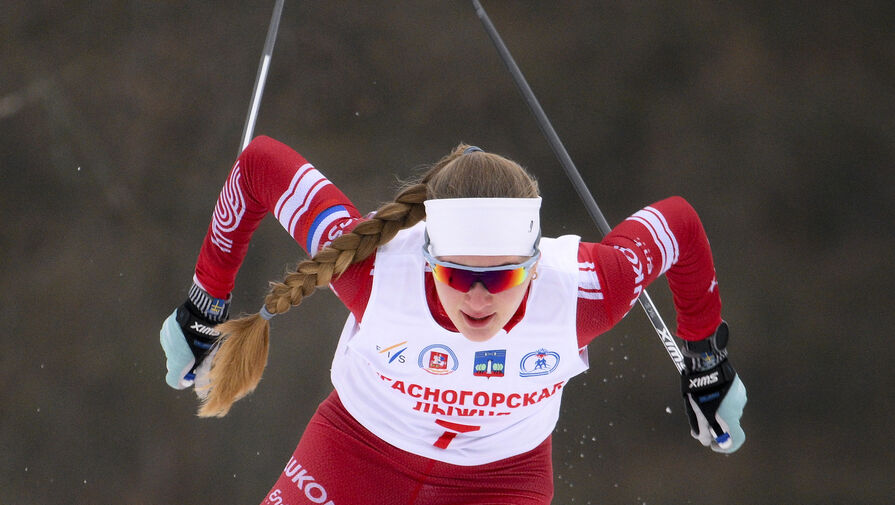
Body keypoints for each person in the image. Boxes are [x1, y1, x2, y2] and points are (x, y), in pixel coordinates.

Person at [160, 136, 747, 505]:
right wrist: (204, 305)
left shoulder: (585, 289)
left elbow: (680, 225)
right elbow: (259, 165)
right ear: (426, 257)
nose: (479, 299)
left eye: (504, 277)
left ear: (535, 266)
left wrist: (706, 362)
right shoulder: (374, 270)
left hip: (502, 479)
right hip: (356, 453)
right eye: (457, 274)